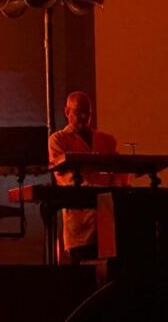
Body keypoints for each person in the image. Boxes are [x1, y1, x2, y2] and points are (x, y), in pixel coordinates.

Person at [48, 91, 126, 264]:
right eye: (78, 112)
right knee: (82, 271)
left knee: (109, 268)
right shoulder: (58, 140)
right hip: (79, 222)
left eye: (87, 113)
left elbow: (118, 172)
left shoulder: (107, 140)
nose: (83, 117)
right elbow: (64, 176)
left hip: (106, 219)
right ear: (67, 112)